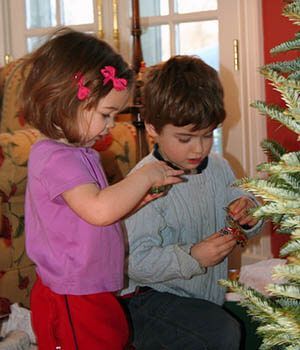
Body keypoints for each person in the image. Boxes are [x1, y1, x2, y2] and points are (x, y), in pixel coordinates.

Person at [22, 28, 184, 350]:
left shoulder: (76, 153)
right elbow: (98, 209)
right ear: (67, 102)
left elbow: (88, 213)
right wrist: (143, 177)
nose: (112, 125)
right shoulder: (56, 157)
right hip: (71, 294)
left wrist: (134, 201)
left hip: (88, 288)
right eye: (106, 114)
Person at [121, 55, 264, 350]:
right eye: (185, 138)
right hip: (147, 299)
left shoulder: (219, 167)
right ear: (151, 127)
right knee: (220, 332)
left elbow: (242, 215)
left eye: (207, 135)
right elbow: (133, 262)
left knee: (247, 323)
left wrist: (250, 212)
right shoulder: (145, 181)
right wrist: (194, 257)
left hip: (202, 297)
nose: (198, 148)